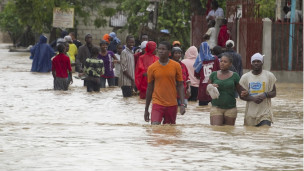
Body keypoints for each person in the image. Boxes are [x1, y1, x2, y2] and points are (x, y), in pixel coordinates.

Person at [144, 41, 185, 125]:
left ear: (169, 52)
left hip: (172, 104)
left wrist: (182, 104)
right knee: (155, 127)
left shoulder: (176, 66)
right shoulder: (152, 68)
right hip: (157, 103)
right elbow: (149, 88)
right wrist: (146, 109)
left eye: (163, 49)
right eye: (159, 49)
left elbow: (180, 85)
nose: (161, 51)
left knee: (169, 131)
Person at [239, 53, 277, 127]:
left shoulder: (269, 76)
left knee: (264, 132)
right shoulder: (245, 77)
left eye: (258, 61)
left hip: (265, 113)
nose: (256, 63)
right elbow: (242, 96)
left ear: (262, 63)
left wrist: (265, 95)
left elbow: (274, 93)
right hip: (250, 114)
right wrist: (253, 98)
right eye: (254, 61)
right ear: (251, 63)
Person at [207, 54, 243, 126]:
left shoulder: (235, 76)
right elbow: (207, 92)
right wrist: (211, 87)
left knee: (228, 131)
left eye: (225, 62)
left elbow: (241, 92)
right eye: (221, 61)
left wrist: (247, 94)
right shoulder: (213, 74)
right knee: (216, 129)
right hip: (216, 107)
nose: (222, 63)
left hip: (231, 108)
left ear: (230, 64)